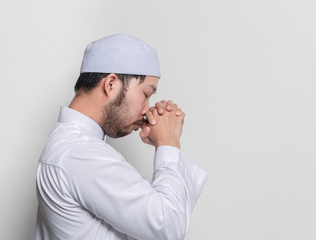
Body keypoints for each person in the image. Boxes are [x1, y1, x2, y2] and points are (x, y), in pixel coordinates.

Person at [36, 33, 207, 240]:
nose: (147, 109)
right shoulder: (82, 154)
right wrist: (168, 144)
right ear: (111, 84)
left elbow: (168, 219)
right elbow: (168, 228)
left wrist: (166, 144)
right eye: (145, 94)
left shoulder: (77, 147)